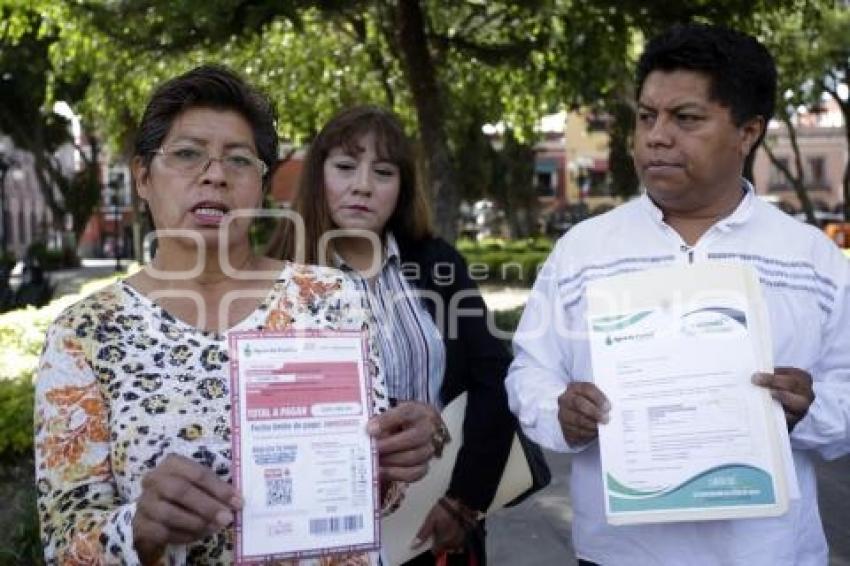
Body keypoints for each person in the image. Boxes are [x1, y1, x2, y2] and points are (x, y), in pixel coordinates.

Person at [34, 65, 440, 565]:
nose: (215, 174)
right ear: (142, 177)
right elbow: (64, 540)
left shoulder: (330, 297)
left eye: (239, 160)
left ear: (262, 184)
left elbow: (372, 492)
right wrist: (139, 527)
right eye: (187, 154)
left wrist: (395, 460)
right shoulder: (86, 335)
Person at [506, 23, 850, 566]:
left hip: (768, 551)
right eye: (647, 116)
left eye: (685, 118)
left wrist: (811, 409)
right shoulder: (584, 251)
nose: (655, 137)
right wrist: (560, 411)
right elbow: (530, 373)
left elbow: (846, 393)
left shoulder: (810, 259)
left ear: (748, 131)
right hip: (620, 553)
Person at [267, 105, 517, 565]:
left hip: (434, 524)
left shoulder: (437, 263)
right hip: (318, 532)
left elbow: (494, 379)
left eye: (383, 172)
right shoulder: (275, 274)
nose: (362, 185)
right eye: (345, 167)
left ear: (401, 187)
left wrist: (465, 500)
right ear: (317, 175)